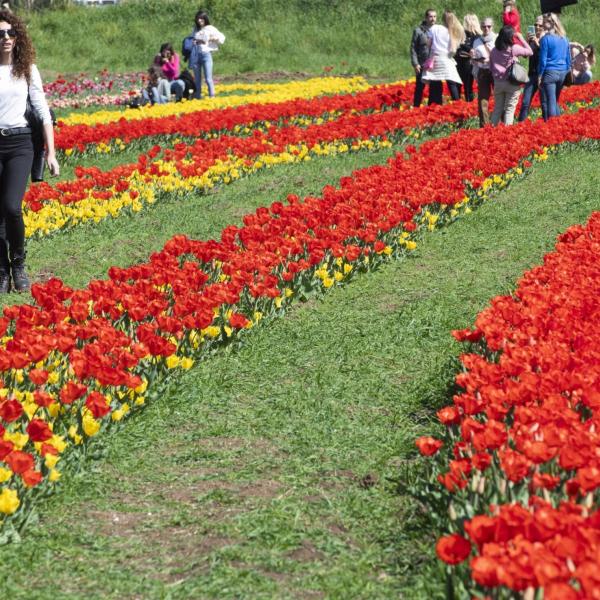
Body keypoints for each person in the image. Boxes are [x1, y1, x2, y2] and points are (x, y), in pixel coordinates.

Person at [0, 10, 58, 294]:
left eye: (11, 33)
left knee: (11, 207)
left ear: (18, 36)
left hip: (20, 143)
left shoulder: (25, 68)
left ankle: (18, 263)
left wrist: (51, 152)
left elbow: (43, 111)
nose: (6, 38)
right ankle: (1, 270)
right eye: (0, 34)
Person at [489, 26, 532, 126]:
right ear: (510, 37)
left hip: (498, 83)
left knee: (497, 108)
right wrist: (521, 38)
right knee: (509, 109)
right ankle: (507, 133)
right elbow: (530, 52)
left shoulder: (494, 50)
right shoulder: (514, 48)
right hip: (511, 82)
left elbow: (490, 68)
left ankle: (491, 130)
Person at [421, 10, 465, 104]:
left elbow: (428, 43)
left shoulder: (435, 28)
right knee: (452, 83)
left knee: (435, 84)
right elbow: (454, 48)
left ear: (442, 18)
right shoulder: (454, 31)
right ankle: (457, 104)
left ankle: (435, 104)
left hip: (436, 58)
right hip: (447, 58)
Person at [538, 12, 571, 120]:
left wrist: (539, 75)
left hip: (550, 72)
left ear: (551, 23)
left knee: (551, 101)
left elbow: (542, 60)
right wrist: (567, 71)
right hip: (562, 71)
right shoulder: (565, 38)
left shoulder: (546, 39)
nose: (542, 23)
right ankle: (559, 124)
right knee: (555, 100)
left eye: (544, 21)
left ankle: (553, 126)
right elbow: (568, 58)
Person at [187, 10, 225, 100]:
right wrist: (193, 41)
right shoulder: (195, 29)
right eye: (198, 19)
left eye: (201, 18)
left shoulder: (210, 28)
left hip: (206, 55)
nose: (199, 20)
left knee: (208, 78)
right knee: (197, 79)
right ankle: (197, 96)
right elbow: (191, 39)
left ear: (205, 19)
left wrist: (214, 38)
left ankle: (212, 96)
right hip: (196, 55)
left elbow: (222, 37)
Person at [410, 8, 441, 107]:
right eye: (431, 16)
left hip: (435, 63)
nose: (433, 19)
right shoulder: (418, 31)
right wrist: (415, 64)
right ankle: (416, 108)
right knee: (419, 87)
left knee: (435, 88)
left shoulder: (438, 30)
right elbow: (413, 48)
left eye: (435, 17)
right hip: (422, 63)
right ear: (426, 17)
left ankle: (432, 108)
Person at [471, 18, 497, 126]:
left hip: (495, 71)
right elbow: (473, 60)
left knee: (499, 98)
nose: (486, 28)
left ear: (492, 27)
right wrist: (473, 58)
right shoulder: (477, 42)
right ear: (481, 27)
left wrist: (491, 59)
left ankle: (501, 124)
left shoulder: (497, 38)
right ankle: (484, 126)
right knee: (483, 100)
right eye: (484, 26)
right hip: (483, 71)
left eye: (488, 26)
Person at [518, 16, 545, 121]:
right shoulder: (532, 39)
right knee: (525, 101)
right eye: (535, 25)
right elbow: (525, 55)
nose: (537, 27)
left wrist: (537, 43)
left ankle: (548, 124)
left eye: (540, 25)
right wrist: (527, 41)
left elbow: (544, 54)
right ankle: (521, 124)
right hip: (532, 73)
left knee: (544, 102)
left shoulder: (546, 38)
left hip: (543, 75)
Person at [455, 14, 481, 101]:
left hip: (468, 62)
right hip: (461, 61)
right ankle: (462, 103)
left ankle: (468, 104)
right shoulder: (463, 34)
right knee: (462, 85)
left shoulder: (477, 36)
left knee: (467, 86)